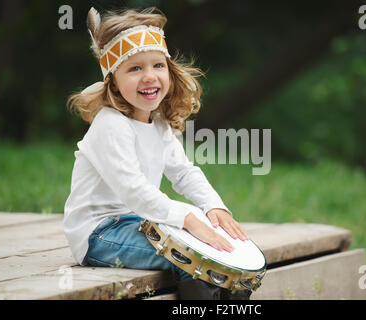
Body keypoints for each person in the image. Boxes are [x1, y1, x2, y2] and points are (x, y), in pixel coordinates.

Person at [63, 6, 251, 300]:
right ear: (112, 79)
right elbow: (133, 190)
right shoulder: (111, 125)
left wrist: (214, 207)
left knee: (225, 259)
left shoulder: (158, 122)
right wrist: (188, 220)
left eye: (157, 65)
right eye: (135, 68)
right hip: (99, 234)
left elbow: (183, 172)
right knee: (195, 259)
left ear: (169, 70)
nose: (149, 76)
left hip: (139, 221)